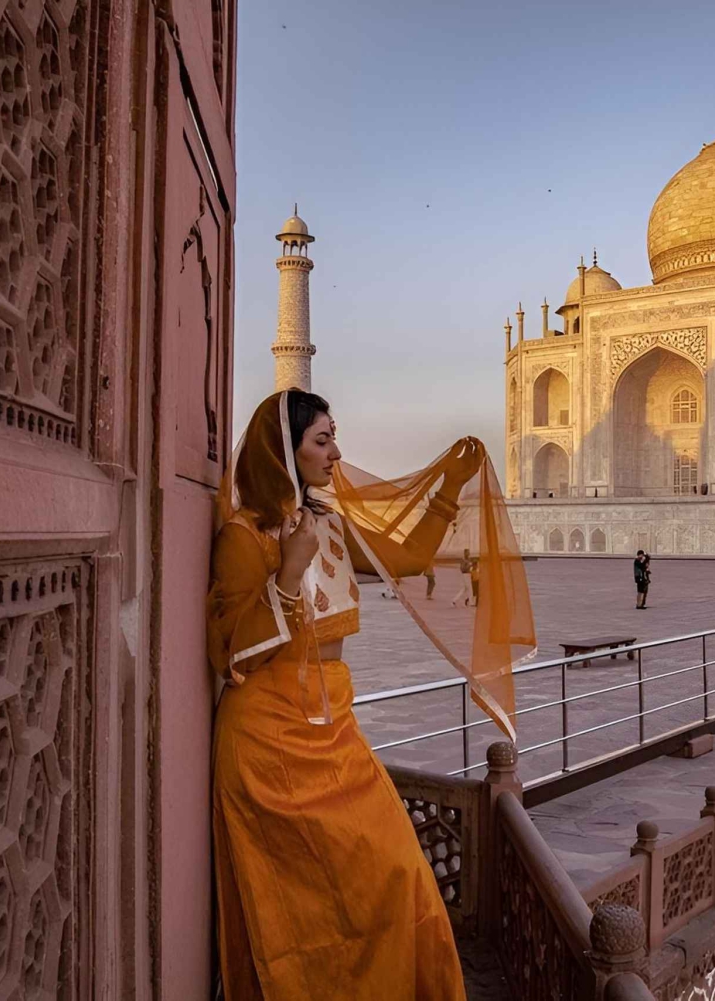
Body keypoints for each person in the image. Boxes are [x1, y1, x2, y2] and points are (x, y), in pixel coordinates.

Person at [206, 390, 496, 1000]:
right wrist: (288, 573)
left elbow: (409, 558)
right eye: (322, 440)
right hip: (269, 744)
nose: (337, 453)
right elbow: (234, 655)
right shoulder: (245, 537)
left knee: (399, 874)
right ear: (284, 450)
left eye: (334, 437)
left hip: (331, 728)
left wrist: (450, 484)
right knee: (311, 907)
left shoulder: (329, 526)